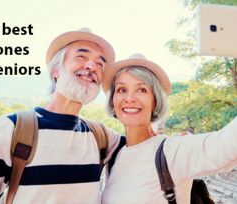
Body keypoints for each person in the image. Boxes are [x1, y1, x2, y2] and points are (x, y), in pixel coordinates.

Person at [0, 29, 122, 204]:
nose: (92, 67)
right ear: (56, 70)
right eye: (81, 57)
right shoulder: (12, 129)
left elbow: (144, 146)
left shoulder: (101, 137)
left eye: (100, 64)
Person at [101, 53, 237, 204]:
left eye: (142, 90)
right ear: (113, 100)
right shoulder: (115, 154)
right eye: (121, 90)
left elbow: (226, 147)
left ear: (155, 101)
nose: (130, 98)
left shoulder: (172, 151)